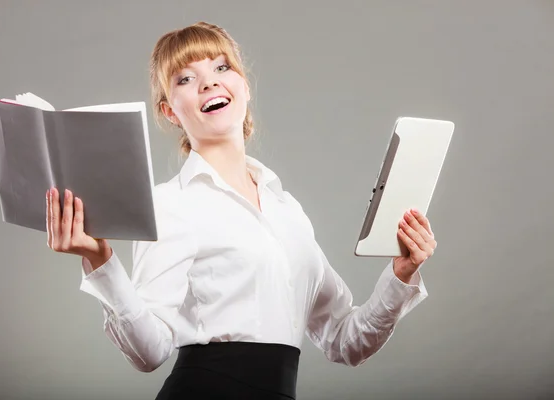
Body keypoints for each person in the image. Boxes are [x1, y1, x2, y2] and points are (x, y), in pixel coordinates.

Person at [46, 21, 436, 400]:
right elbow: (149, 353)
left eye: (221, 67)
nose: (209, 82)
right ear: (169, 112)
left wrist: (402, 274)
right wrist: (101, 262)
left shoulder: (287, 210)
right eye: (185, 78)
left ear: (244, 87)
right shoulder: (171, 203)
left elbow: (345, 341)